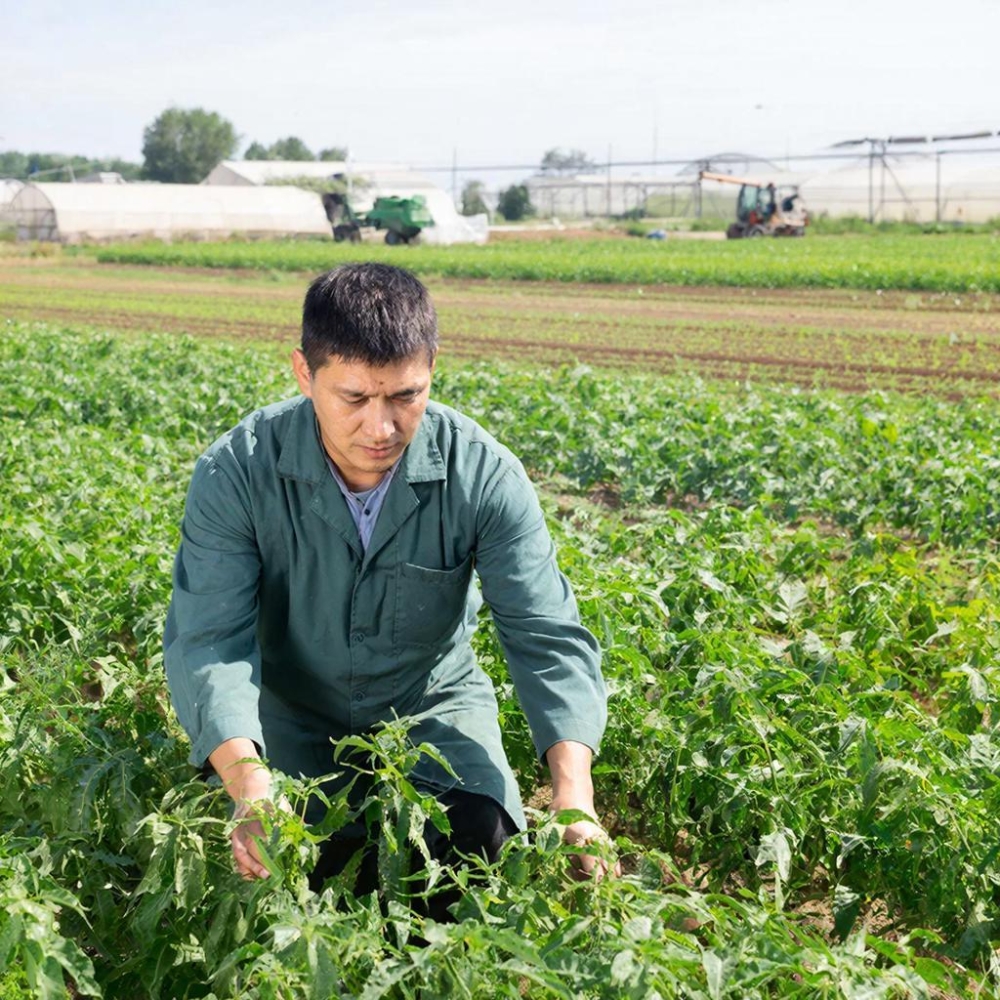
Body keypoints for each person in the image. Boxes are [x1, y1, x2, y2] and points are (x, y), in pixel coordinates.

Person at [164, 263, 615, 911]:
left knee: (476, 851)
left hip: (430, 711)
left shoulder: (480, 473)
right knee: (286, 880)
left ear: (432, 369)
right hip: (292, 721)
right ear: (303, 373)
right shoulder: (239, 472)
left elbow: (544, 632)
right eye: (353, 398)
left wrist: (574, 799)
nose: (382, 429)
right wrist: (249, 786)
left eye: (406, 396)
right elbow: (209, 642)